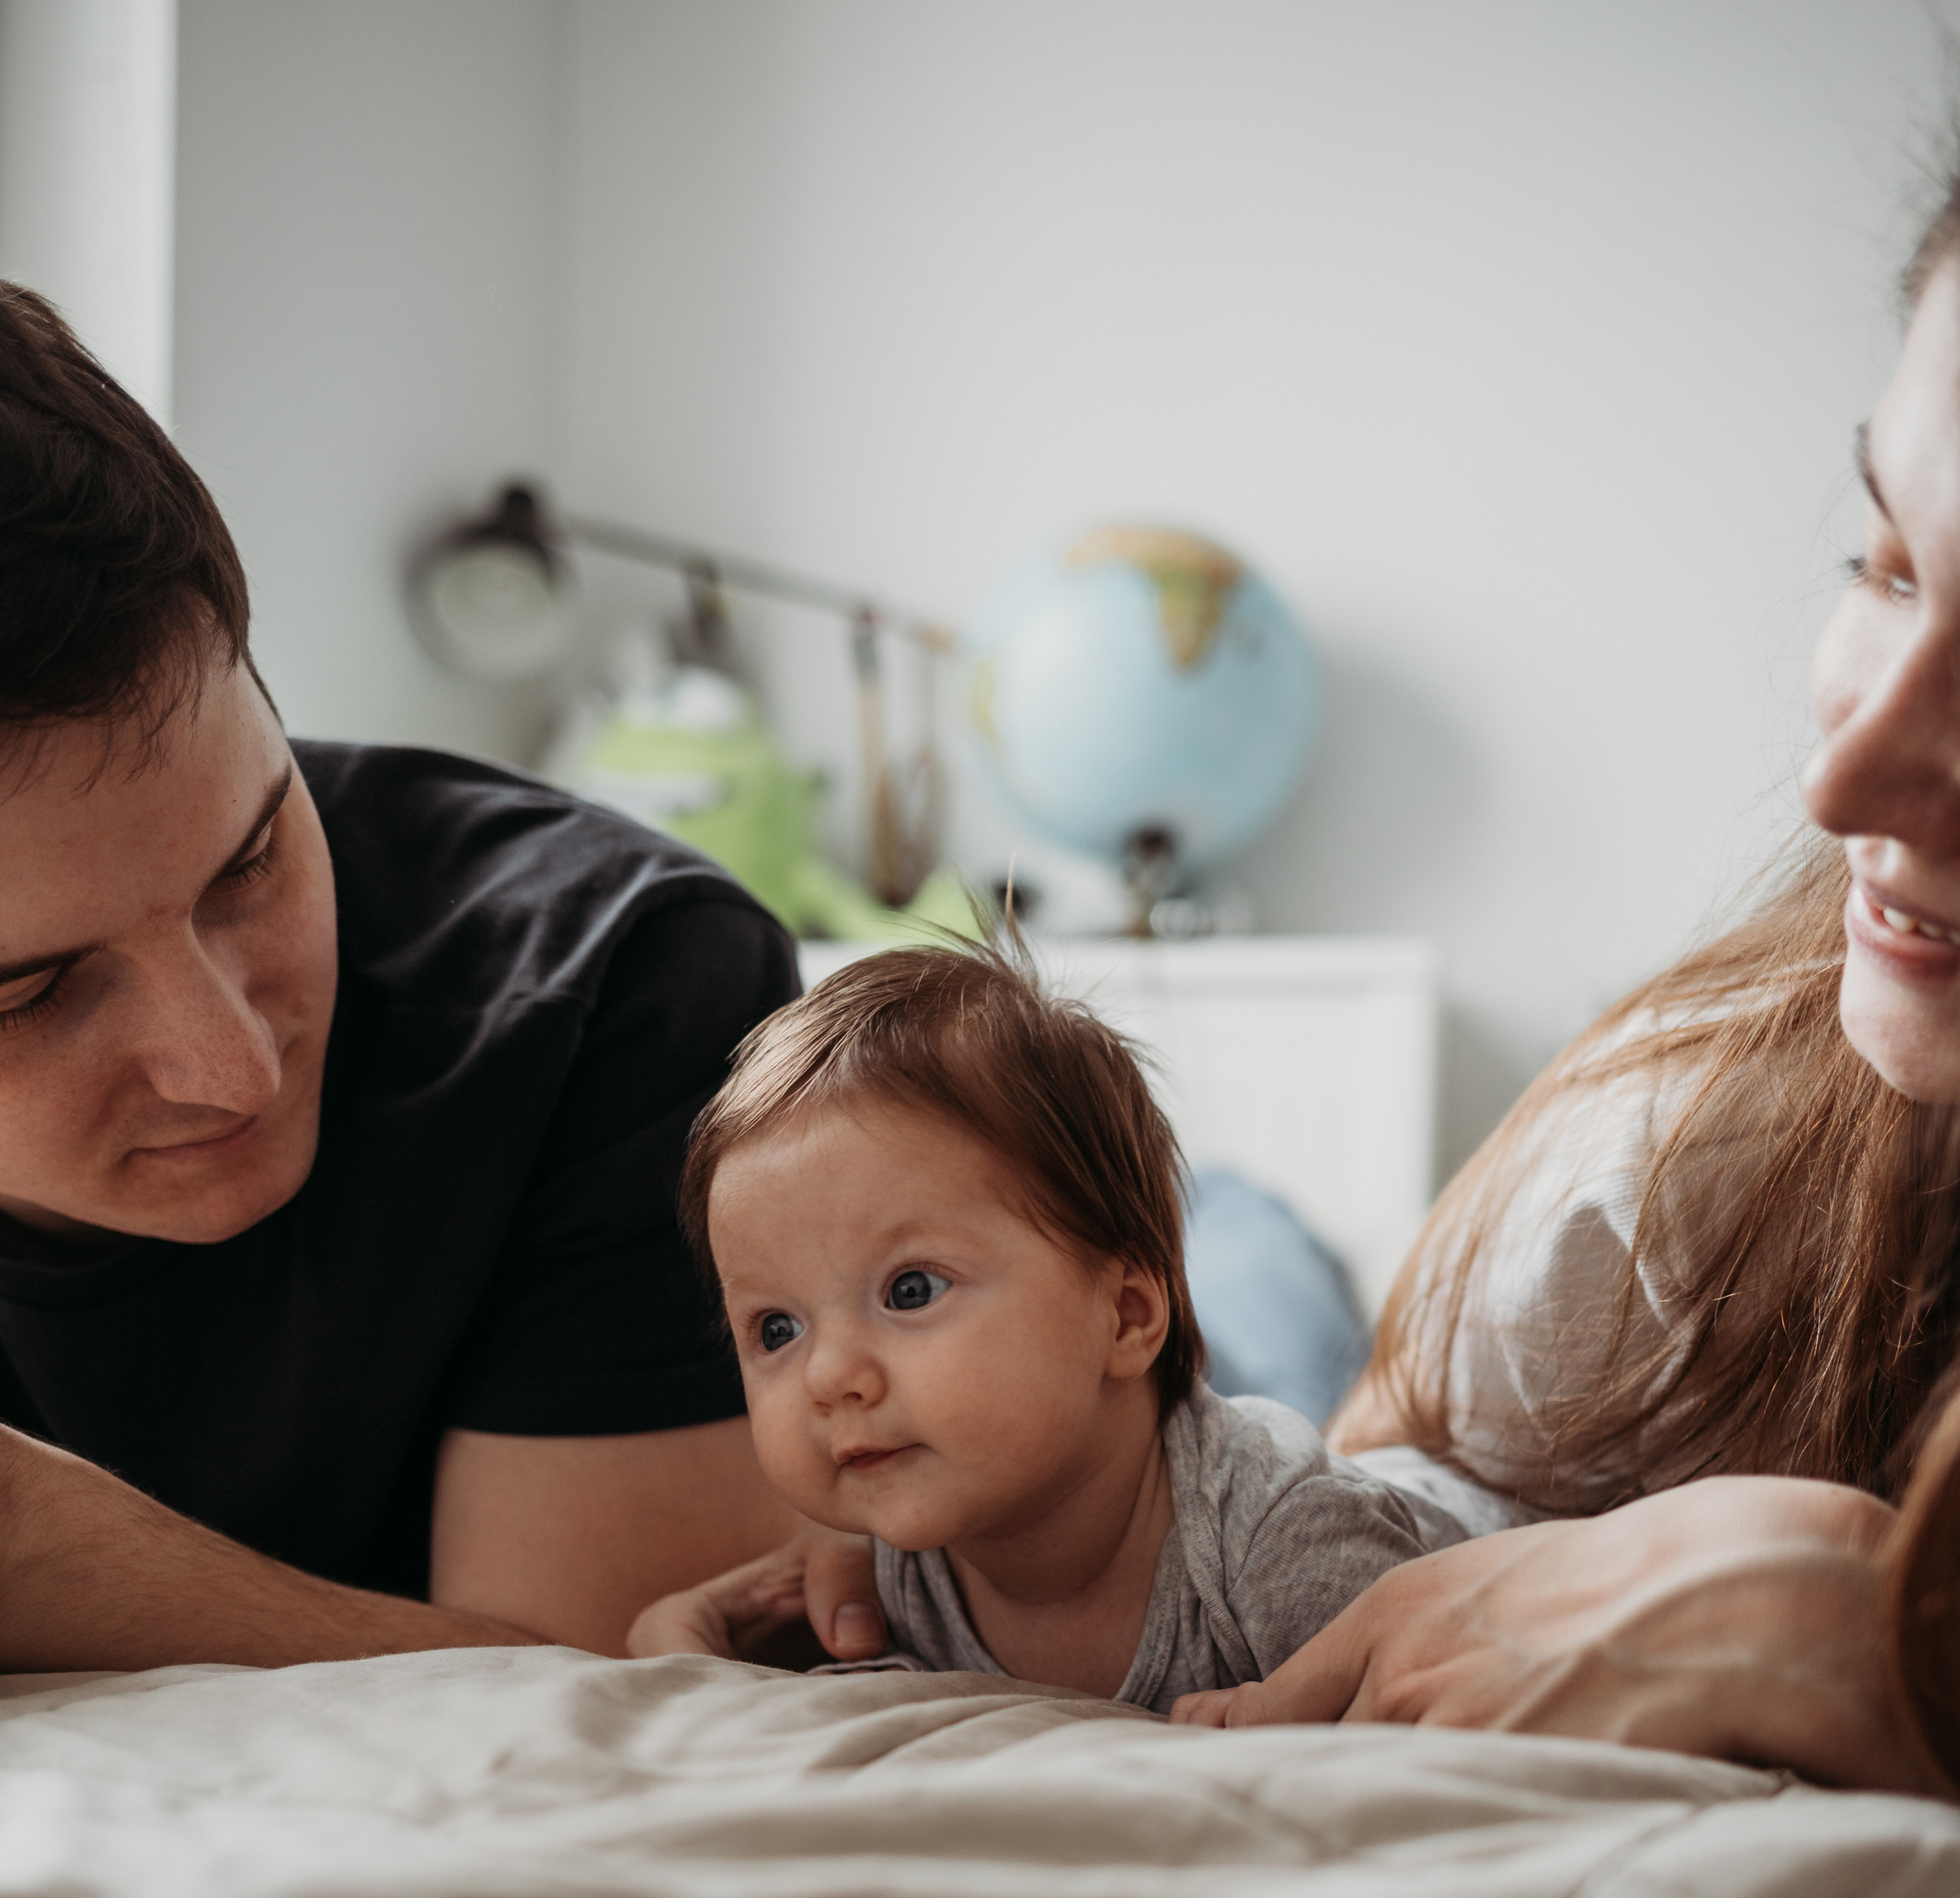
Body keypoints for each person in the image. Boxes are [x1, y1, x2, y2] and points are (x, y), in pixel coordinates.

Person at [1170, 167, 1960, 1794]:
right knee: (1231, 1320)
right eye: (1885, 563)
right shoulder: (1682, 1161)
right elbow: (1355, 1556)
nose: (1843, 782)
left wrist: (1872, 1646)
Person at [0, 282, 886, 1668]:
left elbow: (633, 1706)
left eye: (251, 860)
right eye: (29, 991)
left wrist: (64, 1562)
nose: (235, 1063)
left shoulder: (623, 985)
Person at [629, 946, 1436, 1706]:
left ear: (1124, 1316)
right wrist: (703, 1677)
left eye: (910, 1289)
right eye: (776, 1330)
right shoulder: (884, 1570)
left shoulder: (1283, 1541)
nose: (828, 1376)